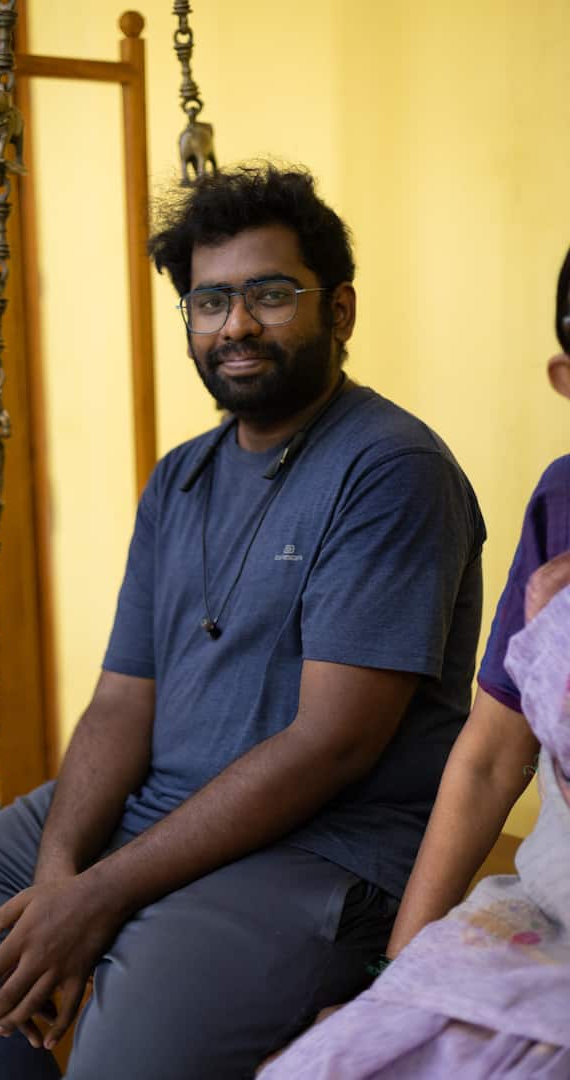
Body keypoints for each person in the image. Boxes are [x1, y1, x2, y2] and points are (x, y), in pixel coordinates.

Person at [0, 164, 485, 1080]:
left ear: (341, 311)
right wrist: (61, 876)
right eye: (209, 301)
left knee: (124, 1057)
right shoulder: (180, 476)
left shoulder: (390, 469)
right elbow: (121, 702)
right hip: (161, 806)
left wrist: (100, 895)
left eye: (271, 294)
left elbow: (334, 744)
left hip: (321, 847)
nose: (236, 325)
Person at [259, 250, 570, 1079]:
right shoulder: (563, 505)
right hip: (550, 916)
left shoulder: (402, 471)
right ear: (566, 380)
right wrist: (396, 978)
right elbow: (491, 756)